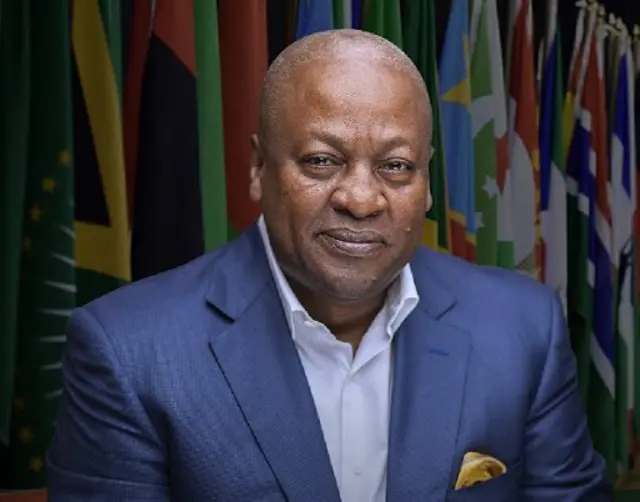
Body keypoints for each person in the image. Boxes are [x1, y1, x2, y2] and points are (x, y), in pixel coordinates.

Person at [46, 29, 610, 501]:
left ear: (427, 182)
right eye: (321, 160)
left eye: (396, 166)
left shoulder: (523, 328)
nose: (361, 200)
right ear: (258, 168)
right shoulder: (128, 351)